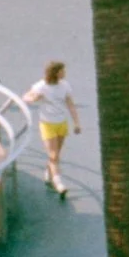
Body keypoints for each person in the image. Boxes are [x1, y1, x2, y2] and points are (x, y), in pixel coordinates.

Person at [22, 60, 81, 198]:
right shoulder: (41, 86)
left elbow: (70, 104)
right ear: (55, 73)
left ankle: (49, 171)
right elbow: (26, 96)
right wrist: (34, 98)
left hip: (61, 123)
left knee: (56, 155)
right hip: (47, 124)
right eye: (62, 71)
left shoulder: (65, 85)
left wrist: (77, 123)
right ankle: (59, 184)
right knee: (53, 155)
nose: (64, 73)